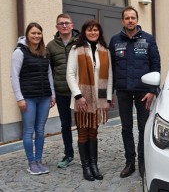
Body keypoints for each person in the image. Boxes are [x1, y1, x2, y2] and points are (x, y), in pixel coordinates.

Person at [109, 6, 160, 178]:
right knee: (126, 128)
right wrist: (111, 93)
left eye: (133, 17)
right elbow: (111, 69)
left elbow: (155, 66)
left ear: (137, 20)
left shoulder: (148, 40)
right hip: (123, 91)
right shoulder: (115, 41)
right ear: (122, 21)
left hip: (143, 92)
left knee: (144, 128)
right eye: (127, 18)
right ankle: (129, 163)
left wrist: (153, 90)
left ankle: (143, 163)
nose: (130, 20)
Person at [66, 20, 113, 181]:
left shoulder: (105, 51)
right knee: (83, 133)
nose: (93, 33)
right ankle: (86, 167)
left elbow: (109, 75)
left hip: (98, 99)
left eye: (96, 30)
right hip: (82, 99)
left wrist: (107, 98)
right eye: (89, 30)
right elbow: (70, 74)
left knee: (93, 132)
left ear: (99, 32)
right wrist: (78, 96)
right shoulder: (76, 49)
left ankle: (94, 165)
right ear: (84, 32)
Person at [10, 22, 56, 175]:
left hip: (44, 97)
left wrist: (52, 94)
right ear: (28, 35)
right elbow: (14, 76)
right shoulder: (19, 52)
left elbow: (49, 74)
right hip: (28, 98)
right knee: (29, 131)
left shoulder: (44, 52)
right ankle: (31, 162)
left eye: (39, 33)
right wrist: (19, 98)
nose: (36, 36)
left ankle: (39, 160)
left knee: (41, 131)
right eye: (33, 33)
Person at [46, 13, 79, 168]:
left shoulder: (81, 42)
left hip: (79, 93)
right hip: (61, 92)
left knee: (82, 124)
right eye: (61, 23)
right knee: (65, 125)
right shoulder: (51, 46)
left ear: (72, 25)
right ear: (57, 27)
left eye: (67, 23)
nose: (64, 26)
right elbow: (49, 70)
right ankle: (68, 154)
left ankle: (85, 154)